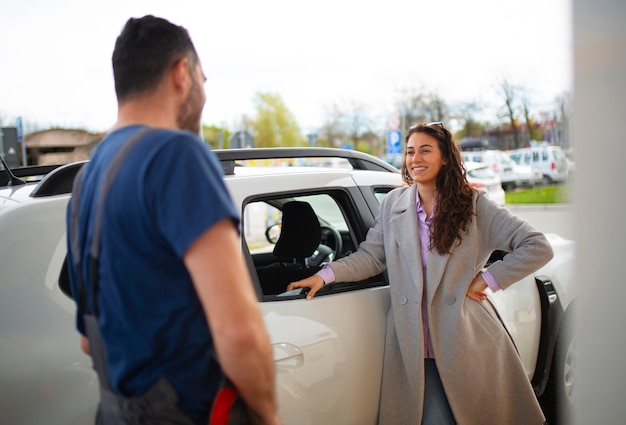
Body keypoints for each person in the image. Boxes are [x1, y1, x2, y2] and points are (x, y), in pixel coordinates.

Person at [66, 15, 280, 425]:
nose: (203, 89)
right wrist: (270, 417)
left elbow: (87, 341)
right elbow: (240, 333)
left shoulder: (86, 178)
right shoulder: (175, 154)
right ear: (182, 73)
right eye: (203, 77)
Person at [287, 122, 553, 425]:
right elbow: (371, 257)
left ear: (444, 157)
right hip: (414, 347)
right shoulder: (393, 205)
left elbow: (537, 245)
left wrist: (487, 280)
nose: (416, 158)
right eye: (410, 151)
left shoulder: (474, 206)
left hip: (464, 342)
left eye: (426, 150)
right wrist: (325, 274)